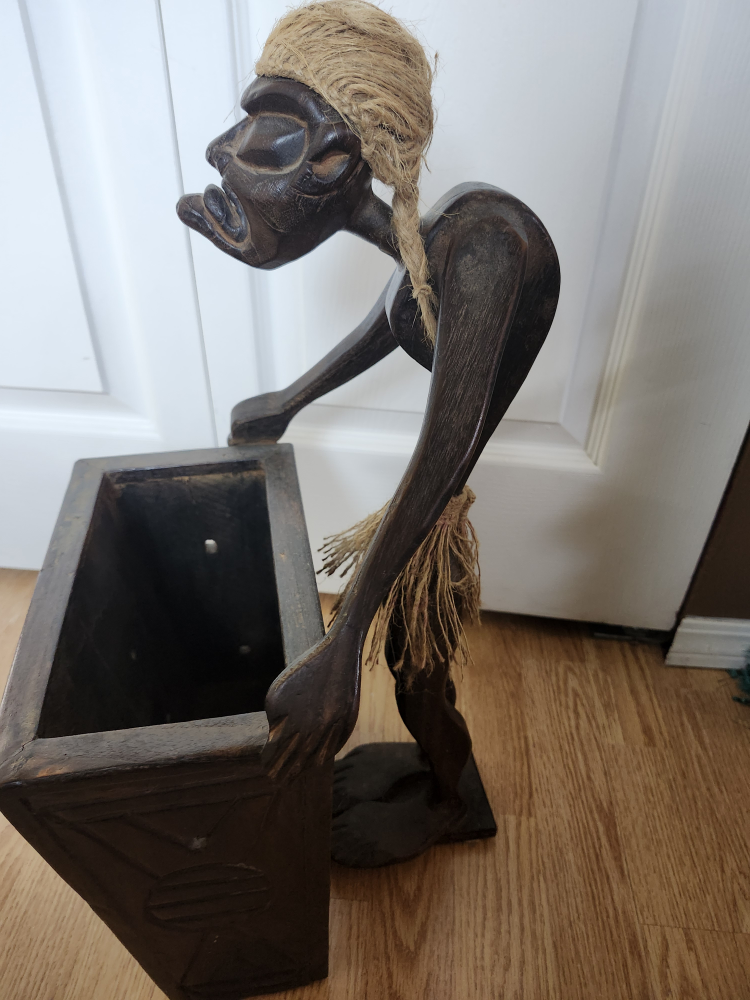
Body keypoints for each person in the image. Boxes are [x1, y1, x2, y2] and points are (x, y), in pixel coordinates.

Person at [178, 0, 559, 866]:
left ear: (336, 160)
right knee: (411, 662)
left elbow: (447, 445)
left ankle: (451, 800)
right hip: (430, 497)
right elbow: (398, 317)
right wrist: (290, 399)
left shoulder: (487, 250)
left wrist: (341, 641)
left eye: (266, 134)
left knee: (414, 668)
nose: (220, 152)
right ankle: (438, 780)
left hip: (436, 514)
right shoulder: (439, 238)